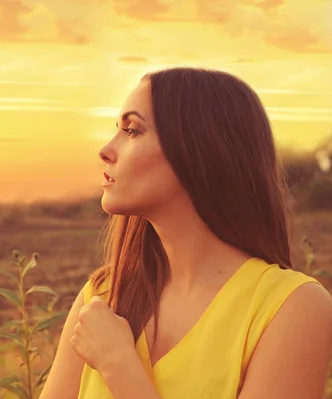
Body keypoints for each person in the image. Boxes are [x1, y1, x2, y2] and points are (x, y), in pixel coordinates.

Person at [39, 67, 332, 399]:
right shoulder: (103, 297)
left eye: (132, 130)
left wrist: (118, 365)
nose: (106, 149)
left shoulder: (292, 307)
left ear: (201, 150)